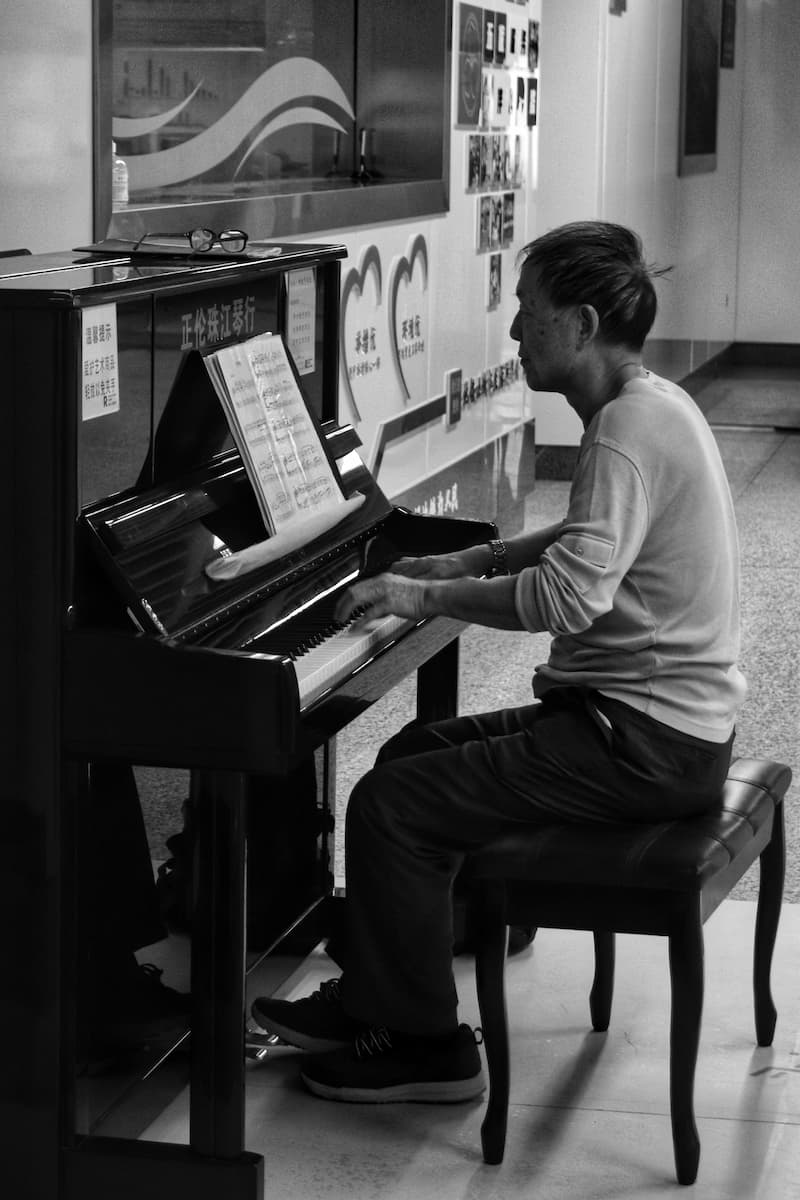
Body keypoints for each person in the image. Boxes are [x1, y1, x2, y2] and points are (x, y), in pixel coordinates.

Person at [251, 220, 747, 1104]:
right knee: (413, 756)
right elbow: (589, 541)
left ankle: (425, 1046)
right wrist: (466, 561)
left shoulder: (625, 429)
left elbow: (567, 597)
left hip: (643, 744)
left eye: (528, 314)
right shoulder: (653, 403)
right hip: (652, 725)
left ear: (583, 324)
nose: (515, 333)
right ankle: (400, 976)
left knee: (389, 801)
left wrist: (420, 598)